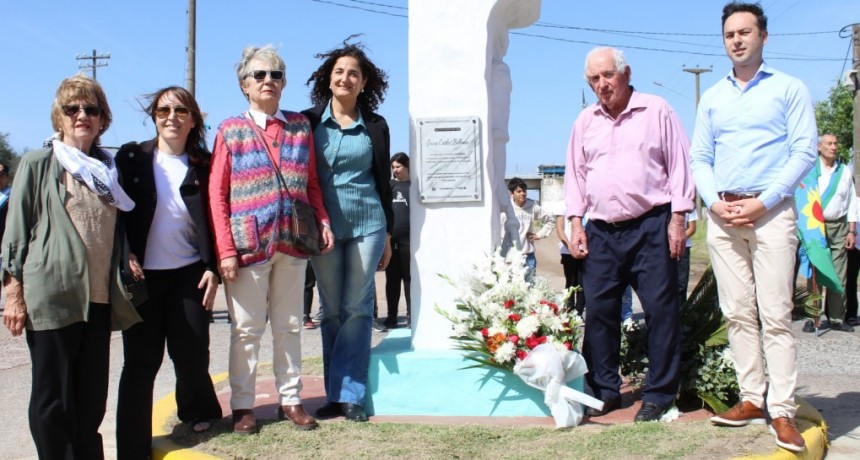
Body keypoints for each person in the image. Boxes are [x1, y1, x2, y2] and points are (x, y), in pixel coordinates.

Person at [689, 2, 818, 453]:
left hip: (771, 212)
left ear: (763, 36)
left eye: (745, 32)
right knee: (737, 312)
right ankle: (751, 399)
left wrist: (763, 202)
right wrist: (714, 203)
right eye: (730, 34)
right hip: (723, 217)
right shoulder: (713, 97)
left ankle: (782, 411)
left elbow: (804, 151)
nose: (737, 40)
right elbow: (699, 158)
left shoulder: (789, 88)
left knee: (776, 315)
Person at [1, 74, 140, 459]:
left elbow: (113, 228)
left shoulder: (108, 171)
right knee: (53, 398)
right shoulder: (39, 163)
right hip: (52, 295)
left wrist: (127, 253)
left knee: (91, 397)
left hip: (98, 297)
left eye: (91, 109)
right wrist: (13, 293)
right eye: (72, 108)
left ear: (102, 119)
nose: (82, 115)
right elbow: (16, 232)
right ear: (58, 116)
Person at [564, 46, 694, 423]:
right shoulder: (585, 121)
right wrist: (576, 223)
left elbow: (680, 166)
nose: (602, 84)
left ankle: (659, 394)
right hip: (601, 231)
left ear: (626, 73)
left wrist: (679, 218)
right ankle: (604, 390)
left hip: (652, 225)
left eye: (608, 75)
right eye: (594, 79)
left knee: (660, 312)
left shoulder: (657, 110)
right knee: (599, 312)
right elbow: (576, 175)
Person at [209, 45, 334, 434]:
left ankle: (291, 399)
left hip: (293, 242)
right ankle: (242, 405)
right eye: (259, 75)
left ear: (284, 83)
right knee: (246, 329)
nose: (268, 81)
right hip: (248, 245)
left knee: (290, 326)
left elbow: (311, 183)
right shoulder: (230, 130)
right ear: (244, 85)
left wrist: (323, 221)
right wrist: (225, 250)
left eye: (275, 75)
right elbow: (217, 194)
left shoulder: (299, 127)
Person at [114, 86, 223, 458]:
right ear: (154, 117)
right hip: (143, 278)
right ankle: (131, 445)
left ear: (193, 120)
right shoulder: (133, 158)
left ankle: (199, 411)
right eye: (163, 111)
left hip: (189, 274)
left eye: (180, 111)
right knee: (141, 363)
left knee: (191, 352)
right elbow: (115, 212)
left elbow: (218, 217)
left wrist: (213, 268)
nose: (171, 118)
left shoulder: (205, 164)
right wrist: (125, 252)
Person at [302, 38, 393, 423]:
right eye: (339, 72)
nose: (345, 78)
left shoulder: (376, 125)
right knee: (331, 309)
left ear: (364, 82)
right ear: (328, 78)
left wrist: (388, 235)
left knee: (357, 307)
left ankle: (350, 394)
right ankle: (334, 392)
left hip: (368, 224)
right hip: (323, 228)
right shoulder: (307, 122)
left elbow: (383, 180)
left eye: (353, 73)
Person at [802, 133, 855, 333]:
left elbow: (851, 202)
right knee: (815, 272)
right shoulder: (810, 170)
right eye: (829, 143)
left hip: (839, 226)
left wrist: (852, 230)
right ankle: (812, 317)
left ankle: (836, 317)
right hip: (815, 226)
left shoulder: (844, 171)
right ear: (819, 147)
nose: (833, 147)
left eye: (835, 143)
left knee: (839, 273)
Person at [500, 177, 556, 283]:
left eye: (524, 191)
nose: (522, 194)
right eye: (518, 191)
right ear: (512, 193)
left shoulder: (532, 206)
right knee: (512, 288)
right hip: (510, 256)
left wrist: (539, 235)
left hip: (528, 256)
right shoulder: (505, 209)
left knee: (530, 287)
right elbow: (500, 232)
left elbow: (551, 220)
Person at [384, 152, 412, 328]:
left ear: (407, 166)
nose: (395, 170)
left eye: (398, 166)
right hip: (391, 241)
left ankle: (411, 314)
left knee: (409, 278)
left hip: (409, 240)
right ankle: (391, 315)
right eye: (393, 167)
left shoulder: (413, 186)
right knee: (392, 279)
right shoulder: (390, 186)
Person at [555, 214, 585, 316]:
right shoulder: (562, 208)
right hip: (567, 251)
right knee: (570, 282)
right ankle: (569, 310)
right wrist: (569, 246)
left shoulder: (588, 207)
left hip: (584, 251)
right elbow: (559, 229)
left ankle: (579, 312)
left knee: (582, 283)